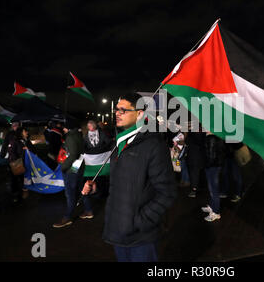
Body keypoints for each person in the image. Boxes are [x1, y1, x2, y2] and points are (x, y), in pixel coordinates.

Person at [83, 93, 176, 262]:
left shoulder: (154, 145)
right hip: (118, 230)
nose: (117, 113)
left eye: (123, 110)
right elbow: (118, 183)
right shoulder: (119, 143)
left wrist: (141, 221)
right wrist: (97, 189)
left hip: (141, 237)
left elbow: (167, 193)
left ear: (140, 114)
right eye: (117, 109)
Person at [53, 120, 93, 228]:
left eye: (64, 127)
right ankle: (88, 211)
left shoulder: (70, 137)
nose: (63, 128)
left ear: (67, 128)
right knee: (81, 190)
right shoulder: (78, 135)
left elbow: (73, 154)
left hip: (72, 168)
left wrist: (64, 167)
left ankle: (67, 217)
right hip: (78, 166)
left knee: (70, 193)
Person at [84, 119, 112, 197]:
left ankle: (101, 192)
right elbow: (85, 144)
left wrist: (102, 149)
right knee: (93, 175)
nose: (89, 127)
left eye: (90, 125)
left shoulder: (101, 133)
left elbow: (108, 142)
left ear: (94, 125)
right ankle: (93, 191)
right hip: (91, 157)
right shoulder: (87, 134)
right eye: (88, 126)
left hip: (101, 156)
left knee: (100, 175)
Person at [201, 132, 225, 222]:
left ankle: (216, 212)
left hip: (212, 166)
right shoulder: (216, 136)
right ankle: (212, 207)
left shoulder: (211, 138)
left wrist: (206, 166)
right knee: (212, 189)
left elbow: (211, 155)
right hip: (215, 165)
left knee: (213, 189)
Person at [0, 122, 25, 203]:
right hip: (13, 160)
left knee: (22, 177)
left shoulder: (22, 133)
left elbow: (26, 143)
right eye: (13, 125)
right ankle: (15, 194)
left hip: (22, 159)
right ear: (12, 126)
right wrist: (2, 154)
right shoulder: (9, 134)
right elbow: (5, 145)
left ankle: (22, 192)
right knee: (13, 177)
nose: (15, 127)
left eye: (16, 125)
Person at [185, 128, 206, 198]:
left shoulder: (193, 133)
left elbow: (187, 141)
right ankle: (198, 187)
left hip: (193, 156)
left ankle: (194, 190)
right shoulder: (202, 132)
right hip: (199, 155)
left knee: (194, 173)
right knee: (197, 172)